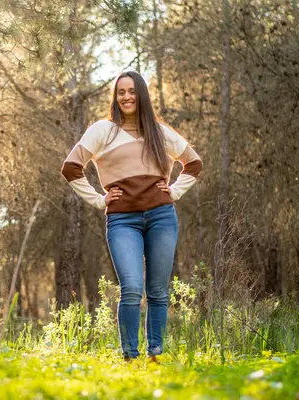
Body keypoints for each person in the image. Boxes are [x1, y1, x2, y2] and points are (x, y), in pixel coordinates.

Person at [60, 71, 203, 363]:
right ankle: (130, 357)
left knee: (158, 291)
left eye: (132, 91)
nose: (126, 96)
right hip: (123, 221)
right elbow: (71, 168)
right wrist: (100, 200)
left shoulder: (159, 133)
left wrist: (173, 192)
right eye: (121, 91)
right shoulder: (102, 130)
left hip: (162, 217)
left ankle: (156, 355)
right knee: (132, 288)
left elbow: (194, 163)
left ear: (142, 95)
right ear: (115, 97)